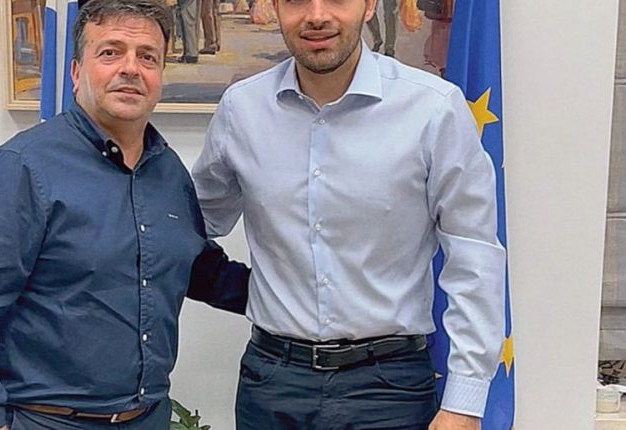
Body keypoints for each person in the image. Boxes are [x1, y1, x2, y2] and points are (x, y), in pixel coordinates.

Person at [0, 1, 248, 429]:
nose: (131, 68)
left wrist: (303, 296)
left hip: (148, 417)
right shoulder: (23, 168)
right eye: (110, 52)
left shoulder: (168, 172)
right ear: (75, 73)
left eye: (147, 57)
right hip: (45, 420)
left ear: (160, 76)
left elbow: (195, 268)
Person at [191, 0, 506, 426]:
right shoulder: (242, 109)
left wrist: (464, 402)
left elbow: (474, 256)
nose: (317, 15)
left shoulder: (433, 108)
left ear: (370, 5)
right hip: (272, 383)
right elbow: (192, 221)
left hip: (389, 388)